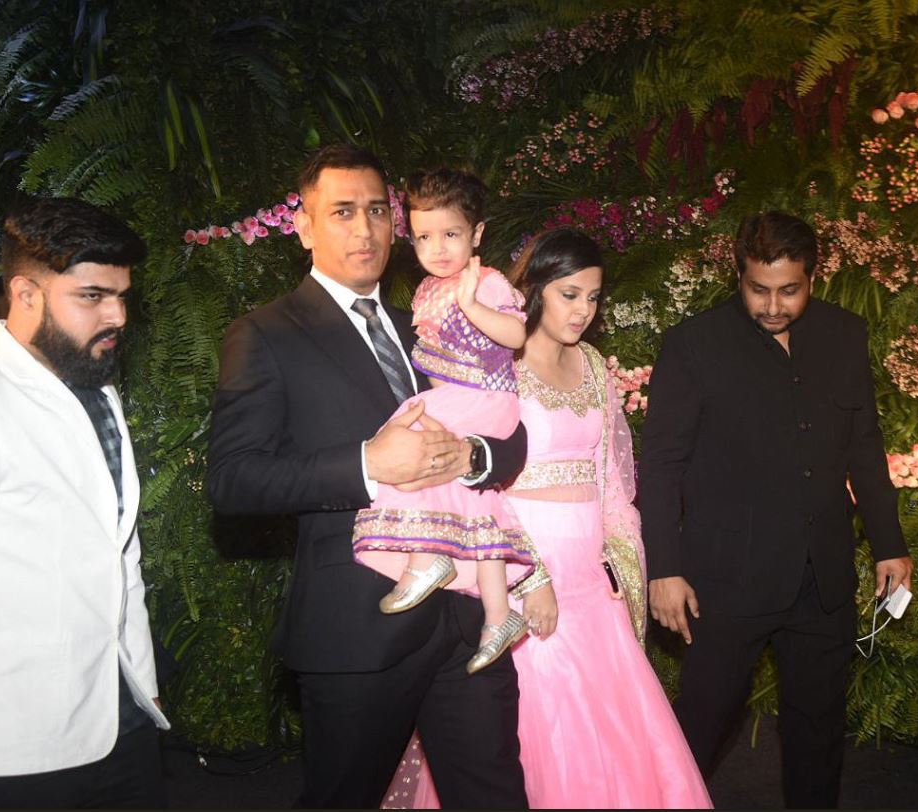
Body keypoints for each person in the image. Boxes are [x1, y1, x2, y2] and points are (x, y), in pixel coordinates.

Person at [205, 144, 530, 809]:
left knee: (493, 796)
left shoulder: (434, 319)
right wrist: (364, 465)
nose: (364, 229)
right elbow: (233, 481)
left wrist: (473, 457)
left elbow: (510, 431)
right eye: (342, 212)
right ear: (303, 226)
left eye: (377, 211)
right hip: (356, 631)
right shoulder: (265, 333)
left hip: (467, 617)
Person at [385, 228, 713, 809]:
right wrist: (527, 576)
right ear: (534, 289)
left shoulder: (592, 366)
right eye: (569, 294)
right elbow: (477, 486)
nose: (584, 310)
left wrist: (627, 572)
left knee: (619, 747)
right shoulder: (497, 363)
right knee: (533, 742)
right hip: (520, 582)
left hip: (592, 590)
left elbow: (612, 482)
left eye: (593, 297)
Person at [639, 211, 913, 808]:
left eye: (788, 290)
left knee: (818, 732)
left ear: (814, 277)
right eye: (758, 288)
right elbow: (660, 466)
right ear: (737, 274)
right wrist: (663, 567)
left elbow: (864, 447)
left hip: (822, 576)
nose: (772, 305)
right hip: (726, 579)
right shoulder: (695, 345)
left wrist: (890, 542)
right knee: (704, 725)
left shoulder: (845, 335)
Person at [0, 197, 170, 809]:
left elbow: (122, 557)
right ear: (26, 294)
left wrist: (145, 684)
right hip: (19, 754)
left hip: (125, 722)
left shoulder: (98, 389)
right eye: (92, 296)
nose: (117, 314)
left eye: (122, 295)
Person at [352, 168, 533, 674]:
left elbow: (516, 338)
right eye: (424, 236)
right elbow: (432, 363)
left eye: (451, 234)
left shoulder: (486, 281)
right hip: (456, 399)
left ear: (476, 234)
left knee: (406, 444)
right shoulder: (428, 289)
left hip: (489, 397)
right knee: (472, 497)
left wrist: (473, 304)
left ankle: (427, 556)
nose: (437, 248)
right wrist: (436, 417)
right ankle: (499, 614)